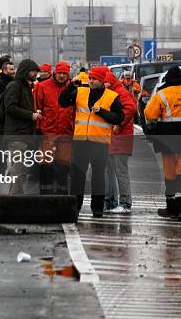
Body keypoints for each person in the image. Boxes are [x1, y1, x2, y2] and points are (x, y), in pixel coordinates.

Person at [59, 65, 124, 217]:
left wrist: (102, 112)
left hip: (100, 142)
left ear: (102, 81)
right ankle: (75, 207)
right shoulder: (80, 91)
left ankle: (97, 208)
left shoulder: (112, 96)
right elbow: (62, 102)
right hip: (81, 141)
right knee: (78, 175)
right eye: (90, 78)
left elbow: (119, 118)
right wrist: (69, 87)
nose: (91, 81)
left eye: (94, 79)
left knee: (98, 176)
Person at [144, 65, 181, 219]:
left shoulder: (163, 94)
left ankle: (172, 208)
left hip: (167, 139)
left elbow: (149, 113)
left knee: (170, 173)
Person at [34, 61, 74, 194]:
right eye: (60, 73)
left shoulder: (73, 88)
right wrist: (39, 128)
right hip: (48, 131)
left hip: (66, 132)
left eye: (65, 73)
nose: (62, 76)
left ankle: (62, 195)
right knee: (46, 166)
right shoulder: (42, 86)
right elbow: (37, 107)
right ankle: (45, 195)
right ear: (54, 73)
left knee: (64, 166)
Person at [2, 59, 42, 194]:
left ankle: (15, 195)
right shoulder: (15, 86)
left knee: (21, 169)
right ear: (26, 71)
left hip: (24, 134)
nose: (35, 74)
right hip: (17, 134)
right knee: (18, 170)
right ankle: (14, 197)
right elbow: (10, 107)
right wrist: (30, 115)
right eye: (33, 71)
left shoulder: (25, 87)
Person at [104, 71, 137, 213]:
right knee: (111, 170)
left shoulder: (119, 92)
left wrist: (119, 124)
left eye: (104, 81)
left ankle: (125, 203)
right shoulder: (113, 91)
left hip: (120, 137)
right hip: (114, 136)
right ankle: (112, 202)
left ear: (110, 81)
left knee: (120, 171)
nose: (103, 84)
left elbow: (131, 108)